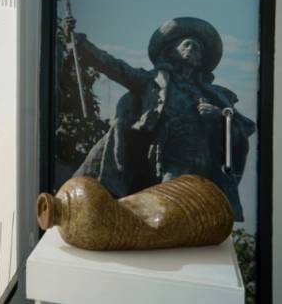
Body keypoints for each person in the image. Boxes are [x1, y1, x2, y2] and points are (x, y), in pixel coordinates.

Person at [65, 16, 255, 221]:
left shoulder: (214, 95)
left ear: (201, 61)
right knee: (166, 210)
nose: (193, 49)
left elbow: (243, 127)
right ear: (172, 51)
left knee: (203, 221)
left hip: (206, 165)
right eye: (187, 44)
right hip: (171, 161)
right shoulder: (152, 81)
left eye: (198, 49)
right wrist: (83, 46)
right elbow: (116, 67)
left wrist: (218, 116)